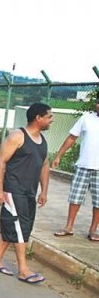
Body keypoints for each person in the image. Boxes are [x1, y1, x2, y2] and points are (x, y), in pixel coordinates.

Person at [0, 102, 53, 284]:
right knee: (19, 228)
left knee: (15, 226)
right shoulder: (17, 136)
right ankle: (23, 270)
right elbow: (1, 161)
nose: (51, 120)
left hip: (29, 192)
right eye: (49, 117)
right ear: (38, 118)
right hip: (13, 190)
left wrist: (44, 191)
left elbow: (44, 165)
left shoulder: (43, 141)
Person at [51, 98, 99, 241]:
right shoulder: (86, 118)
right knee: (75, 198)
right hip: (83, 166)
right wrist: (58, 156)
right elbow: (72, 138)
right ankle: (69, 227)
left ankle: (93, 230)